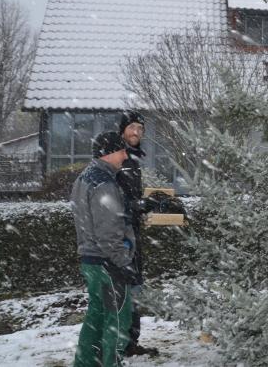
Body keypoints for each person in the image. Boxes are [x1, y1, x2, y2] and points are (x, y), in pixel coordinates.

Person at [70, 131, 137, 367]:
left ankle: (86, 363)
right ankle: (110, 363)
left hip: (91, 261)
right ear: (109, 153)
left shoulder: (85, 178)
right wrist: (123, 262)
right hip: (108, 264)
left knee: (96, 318)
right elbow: (108, 231)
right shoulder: (104, 184)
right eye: (122, 151)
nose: (125, 156)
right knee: (117, 319)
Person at [117, 110, 159, 357]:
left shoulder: (132, 160)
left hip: (132, 233)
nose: (136, 132)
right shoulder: (115, 158)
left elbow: (130, 196)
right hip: (119, 237)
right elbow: (109, 200)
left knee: (135, 288)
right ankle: (118, 344)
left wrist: (146, 204)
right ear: (122, 129)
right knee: (122, 291)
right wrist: (134, 206)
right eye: (132, 127)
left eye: (140, 129)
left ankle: (131, 343)